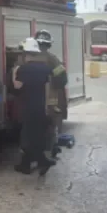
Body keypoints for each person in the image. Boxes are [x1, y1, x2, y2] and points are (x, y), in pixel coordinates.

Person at [12, 37, 56, 176]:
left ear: (26, 54)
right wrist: (49, 106)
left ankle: (28, 165)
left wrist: (14, 72)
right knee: (37, 135)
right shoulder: (45, 68)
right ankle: (40, 161)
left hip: (28, 107)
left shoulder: (23, 69)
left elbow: (17, 87)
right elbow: (49, 86)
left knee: (27, 136)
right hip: (41, 106)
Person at [33, 29, 68, 157]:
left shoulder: (28, 58)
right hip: (51, 98)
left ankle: (35, 151)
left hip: (33, 99)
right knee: (52, 123)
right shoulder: (52, 59)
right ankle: (51, 148)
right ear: (49, 45)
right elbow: (62, 78)